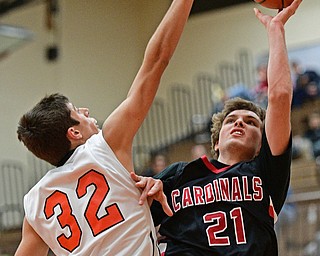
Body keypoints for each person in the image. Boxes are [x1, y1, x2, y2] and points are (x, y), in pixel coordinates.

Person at [14, 1, 194, 255]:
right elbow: (156, 60)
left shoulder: (35, 204)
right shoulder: (105, 146)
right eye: (77, 111)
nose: (86, 112)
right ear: (74, 133)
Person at [133, 1, 302, 255]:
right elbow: (126, 214)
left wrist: (276, 28)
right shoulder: (180, 174)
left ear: (261, 145)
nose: (240, 122)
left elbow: (279, 96)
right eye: (231, 120)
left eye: (251, 122)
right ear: (215, 142)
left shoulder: (265, 171)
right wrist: (144, 191)